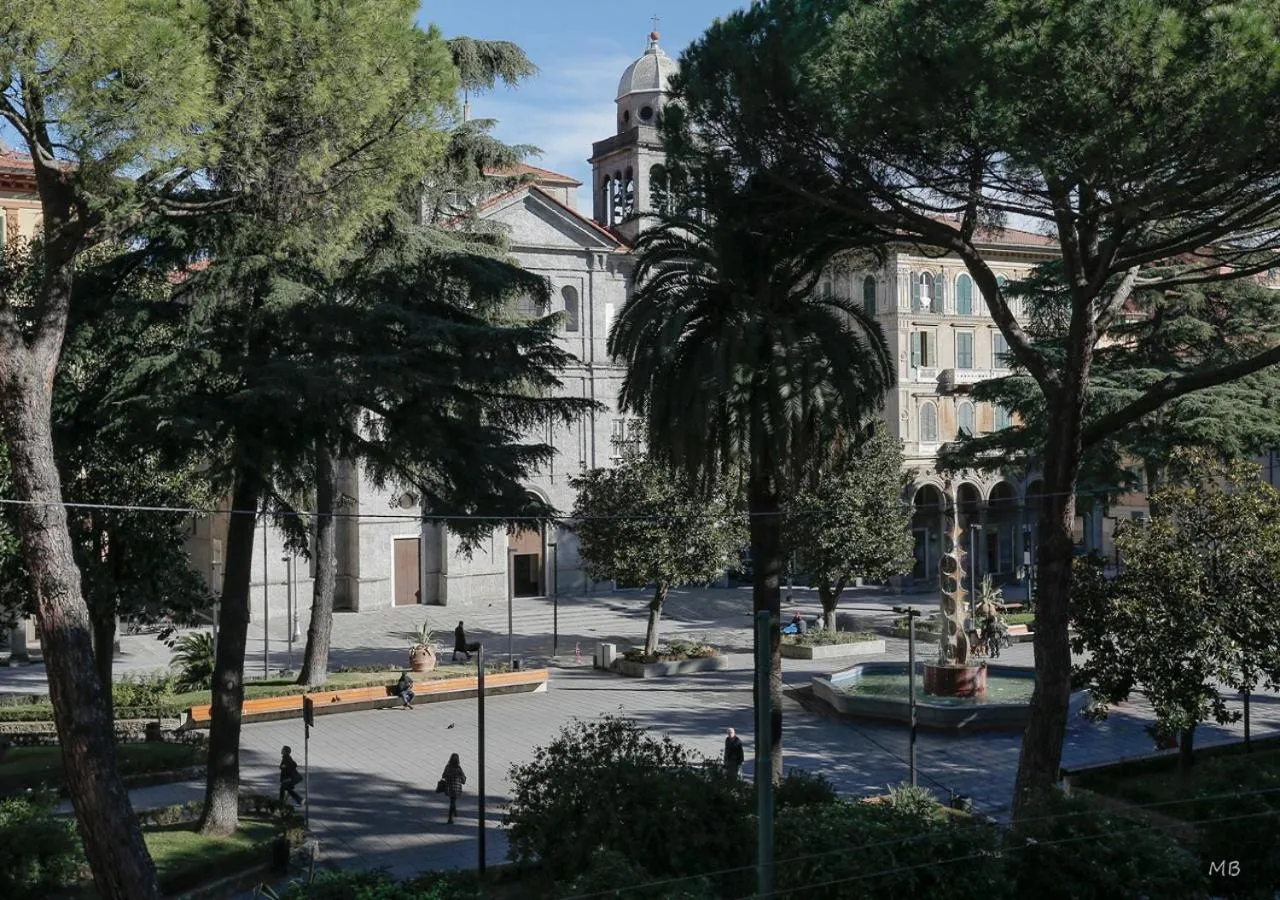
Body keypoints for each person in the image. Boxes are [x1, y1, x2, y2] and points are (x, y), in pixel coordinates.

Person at [441, 752, 467, 824]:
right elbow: (463, 778)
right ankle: (450, 817)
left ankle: (454, 811)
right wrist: (463, 779)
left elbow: (443, 775)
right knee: (453, 801)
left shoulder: (448, 767)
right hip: (456, 787)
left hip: (449, 787)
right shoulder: (458, 768)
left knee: (452, 800)